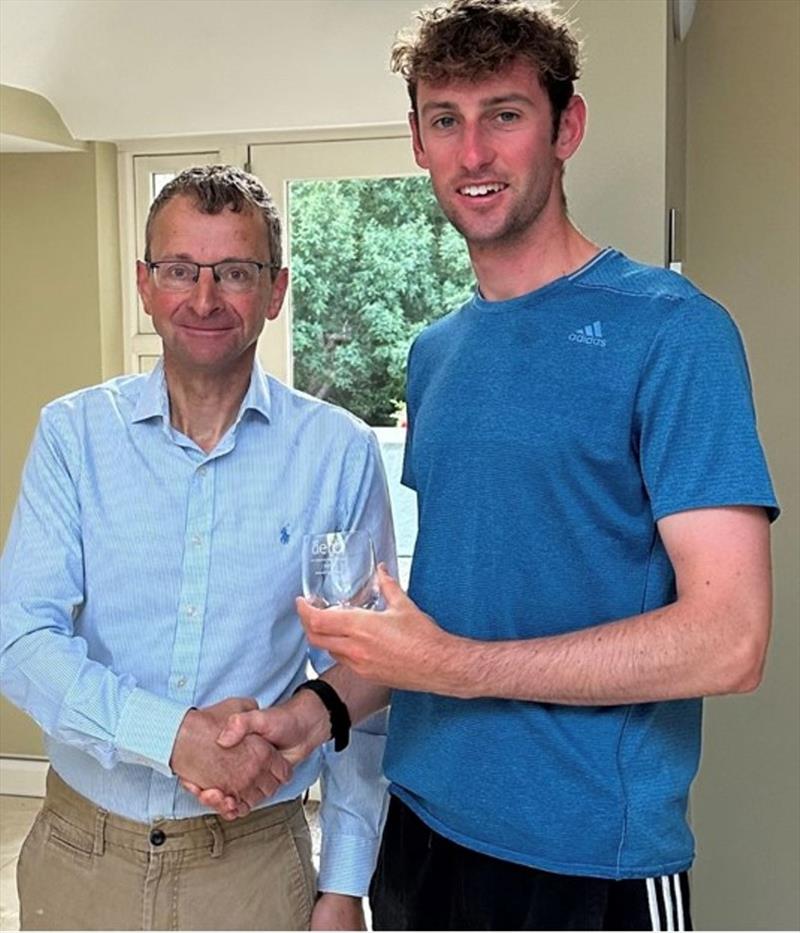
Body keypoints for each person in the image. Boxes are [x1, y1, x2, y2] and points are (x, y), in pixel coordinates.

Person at [287, 1, 779, 929]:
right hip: (422, 835)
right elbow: (456, 615)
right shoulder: (438, 353)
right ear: (418, 141)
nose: (473, 152)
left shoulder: (675, 331)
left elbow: (731, 638)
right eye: (446, 119)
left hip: (588, 861)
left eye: (504, 114)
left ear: (567, 128)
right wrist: (311, 713)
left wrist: (455, 664)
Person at [0, 164, 394, 931]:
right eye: (181, 270)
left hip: (252, 866)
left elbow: (366, 672)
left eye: (234, 272)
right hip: (82, 856)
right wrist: (172, 736)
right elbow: (20, 641)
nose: (204, 299)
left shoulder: (338, 453)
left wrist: (344, 883)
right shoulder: (72, 437)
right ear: (146, 284)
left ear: (275, 290)